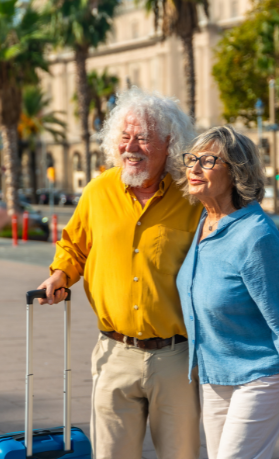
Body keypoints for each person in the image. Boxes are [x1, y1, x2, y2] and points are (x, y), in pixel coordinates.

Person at [37, 88, 203, 459]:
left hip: (176, 356)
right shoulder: (98, 191)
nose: (131, 147)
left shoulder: (192, 197)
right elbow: (74, 246)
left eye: (143, 138)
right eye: (125, 137)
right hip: (114, 353)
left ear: (170, 143)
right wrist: (60, 274)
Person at [175, 126, 279, 459]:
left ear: (236, 172)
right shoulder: (205, 221)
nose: (194, 168)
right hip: (216, 375)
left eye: (208, 161)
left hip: (261, 377)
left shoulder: (255, 236)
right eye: (191, 159)